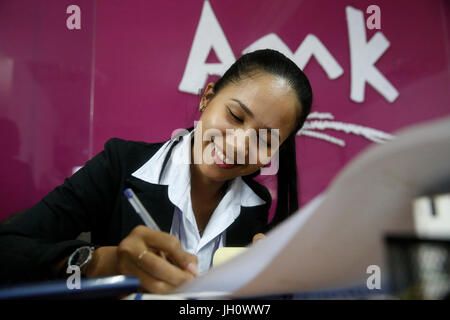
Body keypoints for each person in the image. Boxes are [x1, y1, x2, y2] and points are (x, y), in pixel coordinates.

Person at [0, 49, 312, 294]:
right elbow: (9, 250)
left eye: (264, 139)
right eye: (235, 116)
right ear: (207, 97)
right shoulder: (121, 164)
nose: (239, 145)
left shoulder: (256, 203)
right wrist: (103, 263)